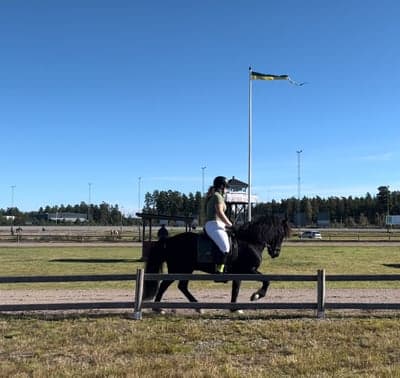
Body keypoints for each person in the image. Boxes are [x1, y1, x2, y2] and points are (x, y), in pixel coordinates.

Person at [204, 176, 233, 273]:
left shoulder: (216, 196)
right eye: (226, 187)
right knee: (225, 247)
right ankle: (219, 270)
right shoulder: (217, 196)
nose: (227, 190)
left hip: (218, 225)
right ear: (222, 186)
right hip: (214, 224)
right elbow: (220, 213)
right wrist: (230, 224)